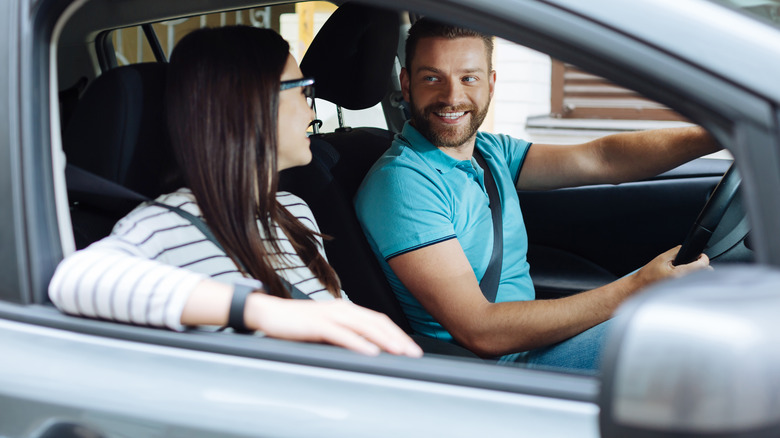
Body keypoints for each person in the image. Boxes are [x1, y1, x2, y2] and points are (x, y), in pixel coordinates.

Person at [355, 18, 716, 371]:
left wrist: (716, 136)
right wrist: (634, 288)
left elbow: (602, 159)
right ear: (406, 84)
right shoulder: (402, 182)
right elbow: (481, 330)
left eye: (469, 78)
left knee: (705, 305)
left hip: (532, 344)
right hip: (502, 370)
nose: (452, 96)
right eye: (432, 78)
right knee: (701, 331)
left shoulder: (490, 152)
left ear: (491, 84)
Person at [49, 26, 422, 358]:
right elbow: (76, 278)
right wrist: (262, 310)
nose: (311, 112)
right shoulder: (167, 224)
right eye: (301, 90)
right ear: (251, 103)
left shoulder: (292, 210)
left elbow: (332, 317)